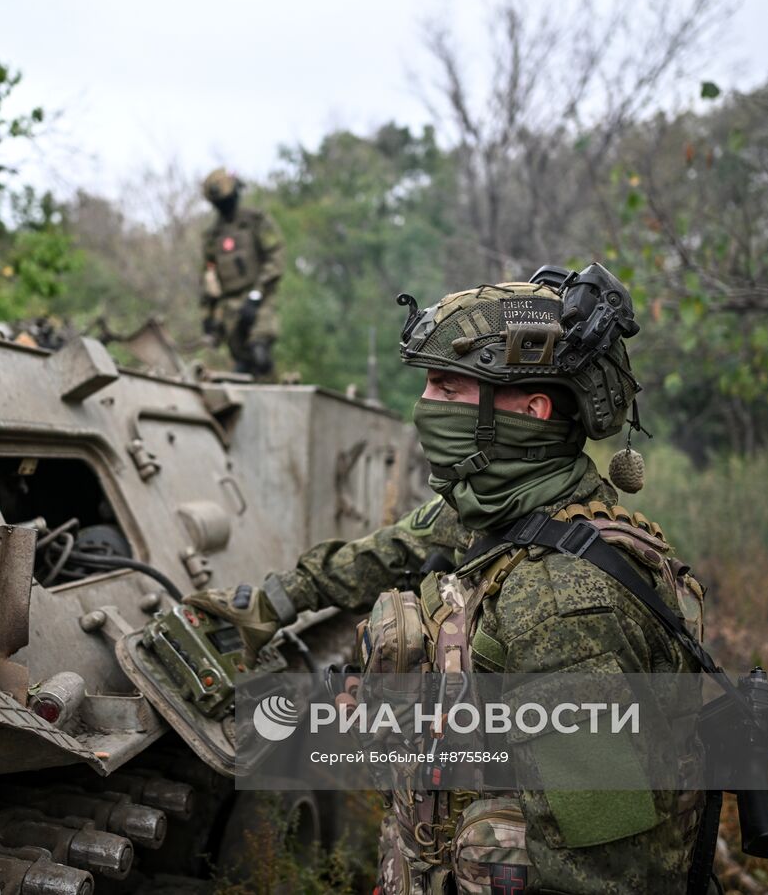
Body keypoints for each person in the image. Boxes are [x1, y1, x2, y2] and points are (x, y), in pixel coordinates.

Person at [188, 266, 713, 893]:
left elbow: (604, 872)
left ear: (530, 409)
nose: (424, 408)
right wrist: (273, 602)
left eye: (446, 387)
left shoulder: (562, 610)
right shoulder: (502, 507)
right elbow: (389, 549)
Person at [199, 168, 285, 377]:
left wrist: (256, 296)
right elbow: (208, 277)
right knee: (243, 363)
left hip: (260, 296)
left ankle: (276, 396)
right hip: (230, 306)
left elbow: (276, 256)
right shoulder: (212, 236)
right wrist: (209, 318)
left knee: (259, 351)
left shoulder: (255, 221)